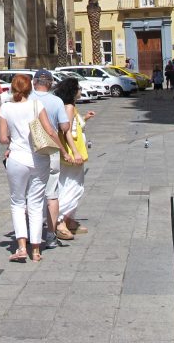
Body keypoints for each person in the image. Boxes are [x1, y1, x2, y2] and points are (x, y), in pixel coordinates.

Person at [0, 74, 58, 263]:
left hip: (16, 158)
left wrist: (12, 141)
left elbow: (2, 139)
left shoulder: (6, 108)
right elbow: (49, 130)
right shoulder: (36, 105)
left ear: (13, 89)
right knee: (36, 203)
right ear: (30, 88)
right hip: (39, 159)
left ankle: (21, 247)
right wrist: (64, 151)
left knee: (17, 202)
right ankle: (36, 250)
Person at [30, 69, 70, 249]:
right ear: (51, 83)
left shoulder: (25, 100)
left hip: (28, 152)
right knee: (51, 194)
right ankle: (51, 235)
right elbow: (64, 126)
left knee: (30, 194)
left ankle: (30, 235)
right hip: (51, 150)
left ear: (34, 82)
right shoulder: (56, 101)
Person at [53, 78, 95, 240]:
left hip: (73, 153)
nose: (80, 90)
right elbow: (66, 131)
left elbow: (75, 127)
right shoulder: (69, 107)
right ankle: (60, 220)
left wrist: (85, 118)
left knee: (72, 184)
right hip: (72, 154)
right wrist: (75, 152)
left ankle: (68, 220)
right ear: (72, 91)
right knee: (73, 186)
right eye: (78, 88)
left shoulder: (71, 108)